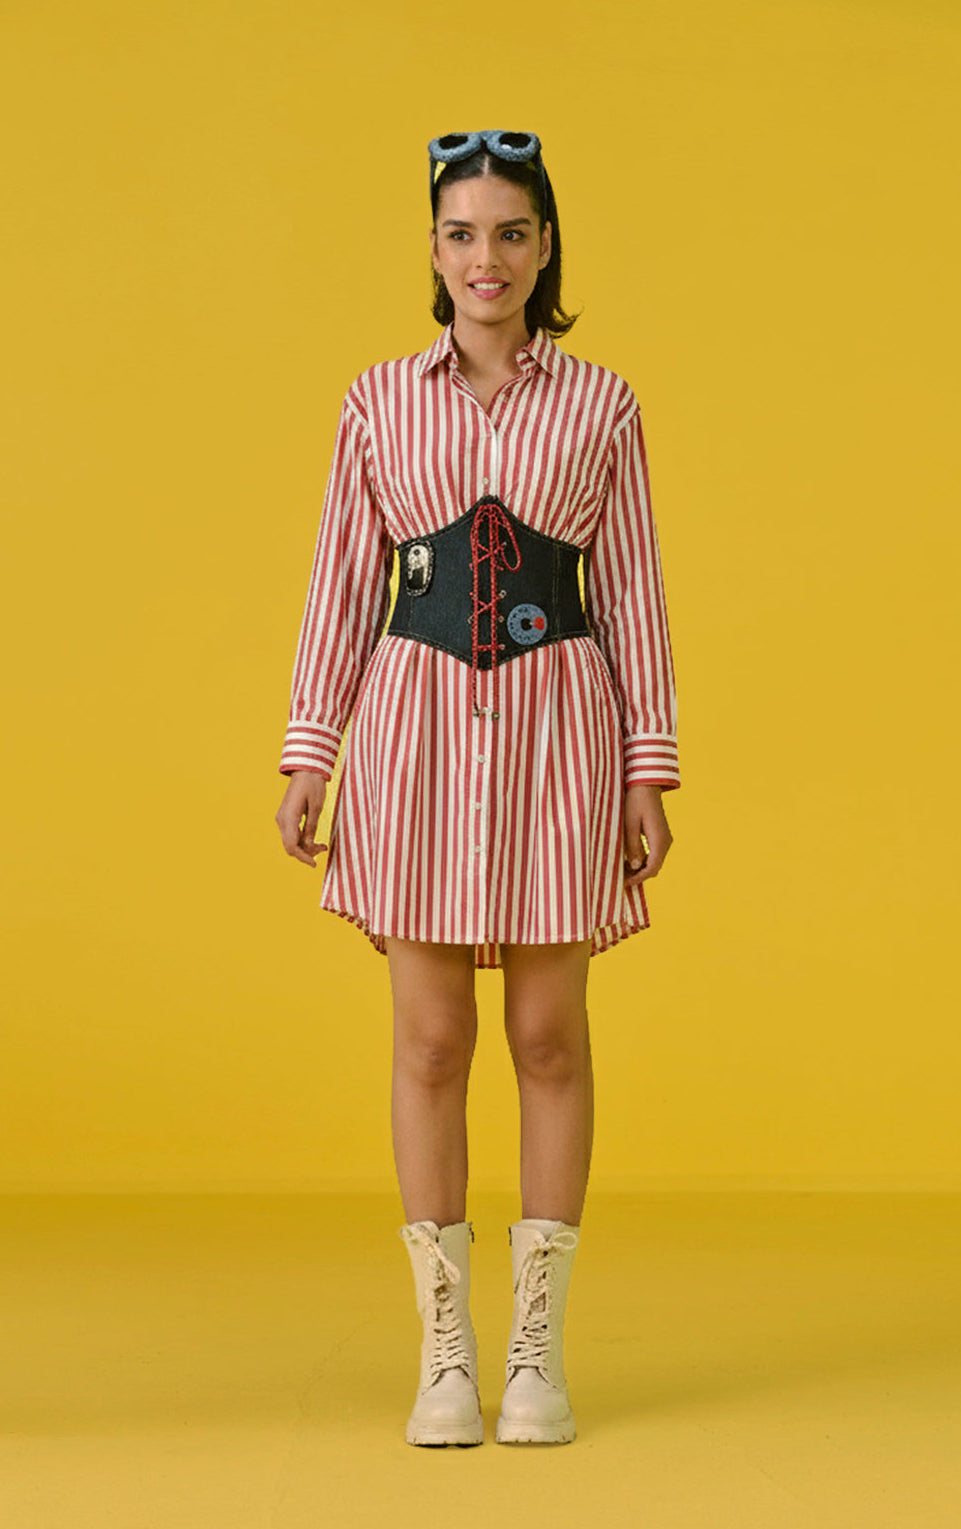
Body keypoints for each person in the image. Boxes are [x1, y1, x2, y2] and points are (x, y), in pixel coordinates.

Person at [275, 130, 681, 1448]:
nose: (486, 258)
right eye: (461, 233)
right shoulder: (377, 402)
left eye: (511, 232)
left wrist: (647, 764)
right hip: (415, 734)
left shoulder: (603, 403)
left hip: (563, 733)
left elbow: (633, 595)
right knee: (431, 1042)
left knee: (551, 1038)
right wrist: (309, 747)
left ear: (545, 244)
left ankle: (535, 1350)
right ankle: (445, 1349)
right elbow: (344, 580)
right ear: (433, 248)